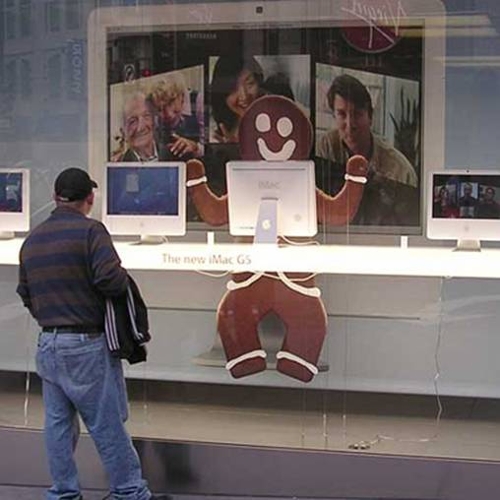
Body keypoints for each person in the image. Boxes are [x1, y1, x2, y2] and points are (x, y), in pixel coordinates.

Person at [16, 167, 168, 500]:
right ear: (90, 198)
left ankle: (64, 493)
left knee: (58, 425)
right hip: (85, 344)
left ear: (55, 197)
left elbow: (25, 293)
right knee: (106, 422)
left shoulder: (33, 239)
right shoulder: (91, 232)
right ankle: (128, 492)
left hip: (48, 343)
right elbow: (110, 280)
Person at [316, 73, 419, 226]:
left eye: (357, 114)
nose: (350, 125)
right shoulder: (325, 147)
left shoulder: (400, 170)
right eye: (342, 114)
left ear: (370, 117)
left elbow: (410, 224)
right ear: (334, 116)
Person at [210, 55, 266, 143]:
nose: (244, 96)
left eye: (250, 83)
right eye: (233, 88)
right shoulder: (214, 132)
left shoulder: (274, 119)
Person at [150, 72, 204, 159]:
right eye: (160, 109)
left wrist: (195, 147)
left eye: (170, 103)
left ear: (181, 96)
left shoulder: (198, 101)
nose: (168, 114)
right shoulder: (153, 112)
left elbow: (210, 149)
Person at [112, 89, 174, 162]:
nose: (141, 127)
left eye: (146, 116)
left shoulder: (173, 154)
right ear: (123, 131)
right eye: (132, 121)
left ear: (154, 120)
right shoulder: (120, 164)